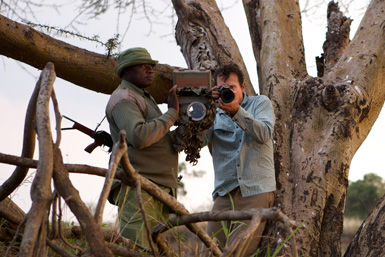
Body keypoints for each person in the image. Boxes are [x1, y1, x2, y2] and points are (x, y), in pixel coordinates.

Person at [105, 47, 179, 247]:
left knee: (154, 250)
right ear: (126, 70)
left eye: (151, 66)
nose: (150, 70)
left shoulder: (143, 97)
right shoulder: (124, 98)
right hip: (137, 187)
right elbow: (139, 136)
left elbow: (159, 139)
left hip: (155, 186)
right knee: (137, 249)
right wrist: (172, 113)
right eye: (143, 66)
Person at [205, 63, 276, 256]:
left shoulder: (260, 103)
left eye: (231, 88)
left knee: (239, 252)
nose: (226, 92)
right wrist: (205, 108)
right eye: (222, 89)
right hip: (224, 191)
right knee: (209, 250)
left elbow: (265, 133)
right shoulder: (213, 111)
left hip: (255, 190)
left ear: (243, 87)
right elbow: (198, 141)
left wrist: (236, 111)